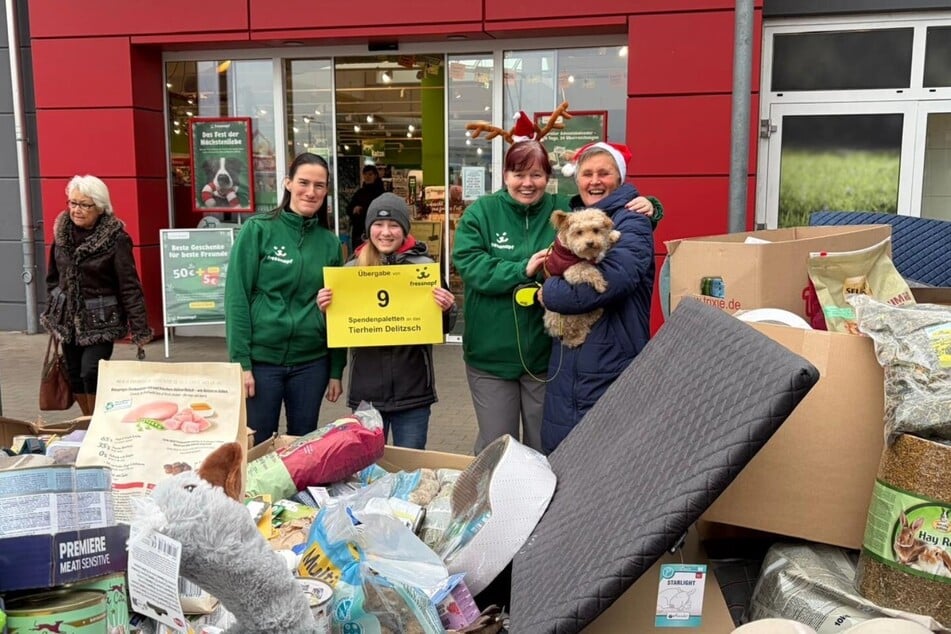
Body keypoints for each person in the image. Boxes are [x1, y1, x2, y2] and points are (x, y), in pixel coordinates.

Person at [452, 140, 658, 454]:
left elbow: (605, 214)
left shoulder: (563, 208)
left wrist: (651, 206)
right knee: (497, 448)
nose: (526, 183)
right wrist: (521, 269)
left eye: (536, 175)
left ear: (548, 178)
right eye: (518, 174)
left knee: (544, 448)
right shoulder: (482, 212)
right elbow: (469, 264)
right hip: (490, 353)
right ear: (504, 175)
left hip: (544, 355)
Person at [539, 142, 656, 453]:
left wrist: (548, 291)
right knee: (563, 457)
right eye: (587, 173)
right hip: (571, 363)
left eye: (604, 173)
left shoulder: (632, 219)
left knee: (603, 458)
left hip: (607, 360)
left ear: (619, 178)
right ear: (576, 179)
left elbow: (608, 281)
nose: (594, 181)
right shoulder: (573, 219)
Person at [317, 193, 457, 449]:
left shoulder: (425, 267)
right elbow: (334, 330)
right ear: (369, 228)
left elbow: (444, 328)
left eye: (394, 225)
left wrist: (447, 308)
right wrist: (325, 309)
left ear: (404, 229)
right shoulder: (351, 270)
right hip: (366, 393)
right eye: (378, 225)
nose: (385, 232)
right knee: (366, 468)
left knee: (411, 466)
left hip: (413, 391)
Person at [225, 152, 346, 445]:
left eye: (319, 185)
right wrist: (241, 364)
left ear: (326, 190)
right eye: (304, 182)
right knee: (258, 443)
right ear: (288, 183)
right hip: (262, 361)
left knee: (303, 447)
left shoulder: (330, 242)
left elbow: (339, 309)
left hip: (311, 362)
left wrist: (335, 369)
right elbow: (236, 298)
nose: (311, 191)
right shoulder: (258, 230)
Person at [40, 175, 152, 415]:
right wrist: (56, 303)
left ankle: (98, 417)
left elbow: (130, 285)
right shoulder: (62, 233)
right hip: (67, 320)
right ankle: (88, 421)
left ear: (101, 207)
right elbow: (53, 276)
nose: (76, 210)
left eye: (84, 205)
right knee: (73, 372)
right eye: (72, 203)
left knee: (91, 370)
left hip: (101, 319)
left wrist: (140, 329)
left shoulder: (116, 239)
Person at [345, 164, 385, 252]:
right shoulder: (360, 192)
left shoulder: (381, 193)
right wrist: (354, 209)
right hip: (359, 231)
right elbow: (349, 208)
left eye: (370, 174)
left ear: (375, 176)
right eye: (365, 174)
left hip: (376, 230)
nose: (367, 177)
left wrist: (363, 209)